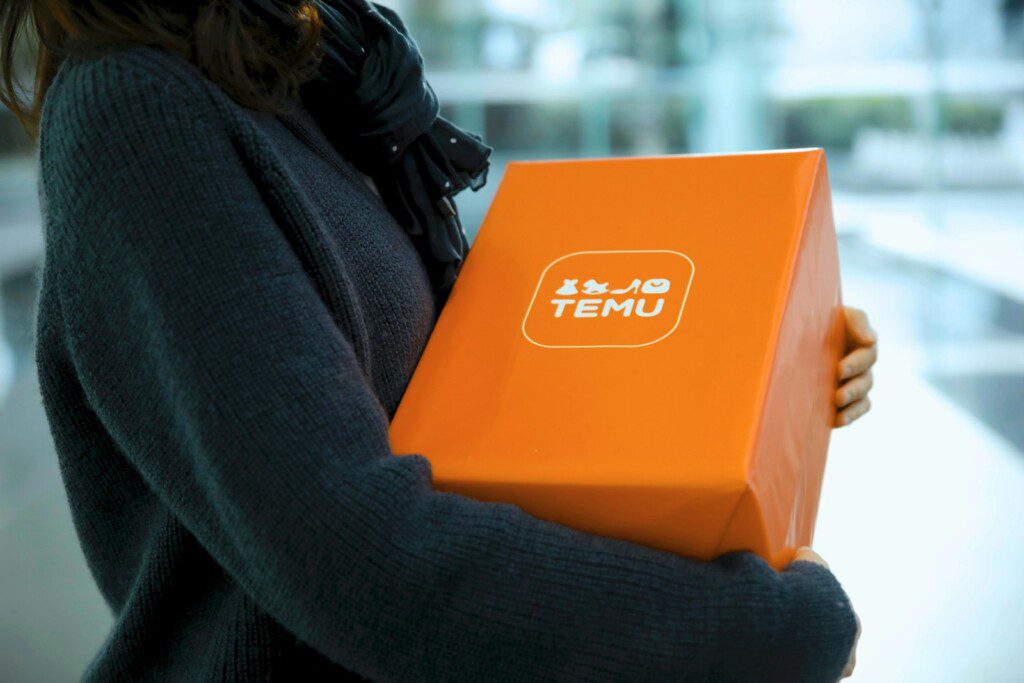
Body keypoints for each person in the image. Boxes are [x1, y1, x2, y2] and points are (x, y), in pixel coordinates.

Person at [1, 1, 876, 680]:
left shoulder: (309, 80)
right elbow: (360, 557)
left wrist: (782, 360)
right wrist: (768, 634)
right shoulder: (136, 111)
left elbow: (461, 402)